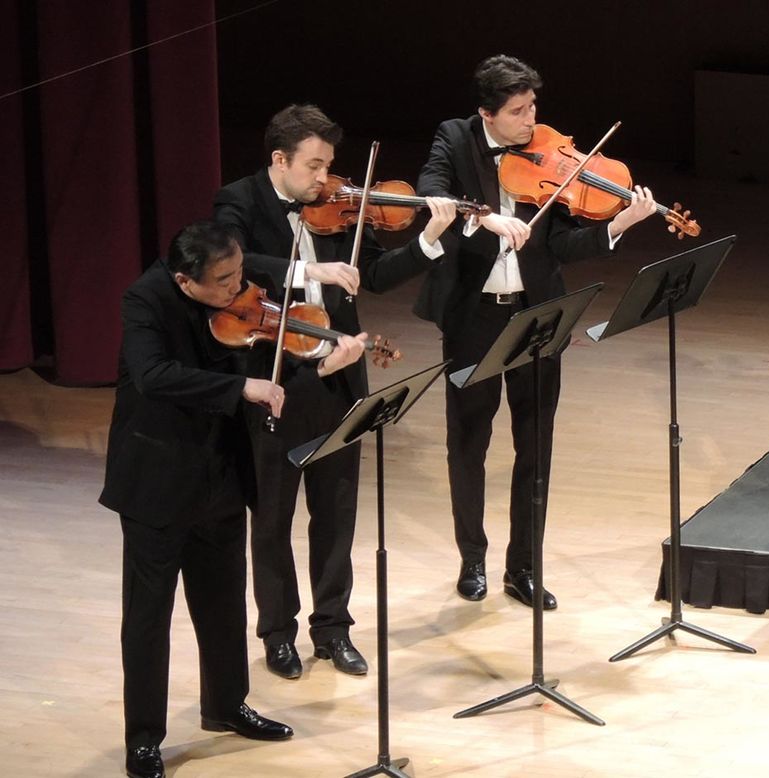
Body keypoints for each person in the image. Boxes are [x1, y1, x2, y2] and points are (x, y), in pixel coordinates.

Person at [101, 222, 366, 778]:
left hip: (221, 474)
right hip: (158, 482)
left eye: (240, 273)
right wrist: (238, 389)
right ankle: (144, 739)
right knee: (148, 617)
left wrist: (322, 365)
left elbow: (272, 363)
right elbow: (152, 376)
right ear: (184, 280)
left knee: (223, 604)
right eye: (224, 282)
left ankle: (226, 706)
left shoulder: (241, 296)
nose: (238, 288)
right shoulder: (144, 300)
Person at [212, 103, 457, 679]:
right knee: (272, 516)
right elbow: (231, 266)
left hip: (341, 374)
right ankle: (277, 633)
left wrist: (428, 240)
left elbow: (372, 275)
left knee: (337, 512)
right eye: (314, 167)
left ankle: (333, 628)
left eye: (329, 167)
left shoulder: (336, 211)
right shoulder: (238, 201)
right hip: (276, 376)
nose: (325, 181)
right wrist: (306, 271)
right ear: (280, 159)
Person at [414, 54, 658, 608]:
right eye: (518, 112)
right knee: (468, 440)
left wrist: (618, 223)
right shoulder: (453, 138)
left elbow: (564, 244)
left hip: (536, 315)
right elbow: (430, 192)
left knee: (536, 443)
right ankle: (472, 558)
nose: (531, 122)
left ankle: (522, 566)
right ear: (486, 113)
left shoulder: (547, 152)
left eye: (533, 108)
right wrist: (482, 216)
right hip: (473, 315)